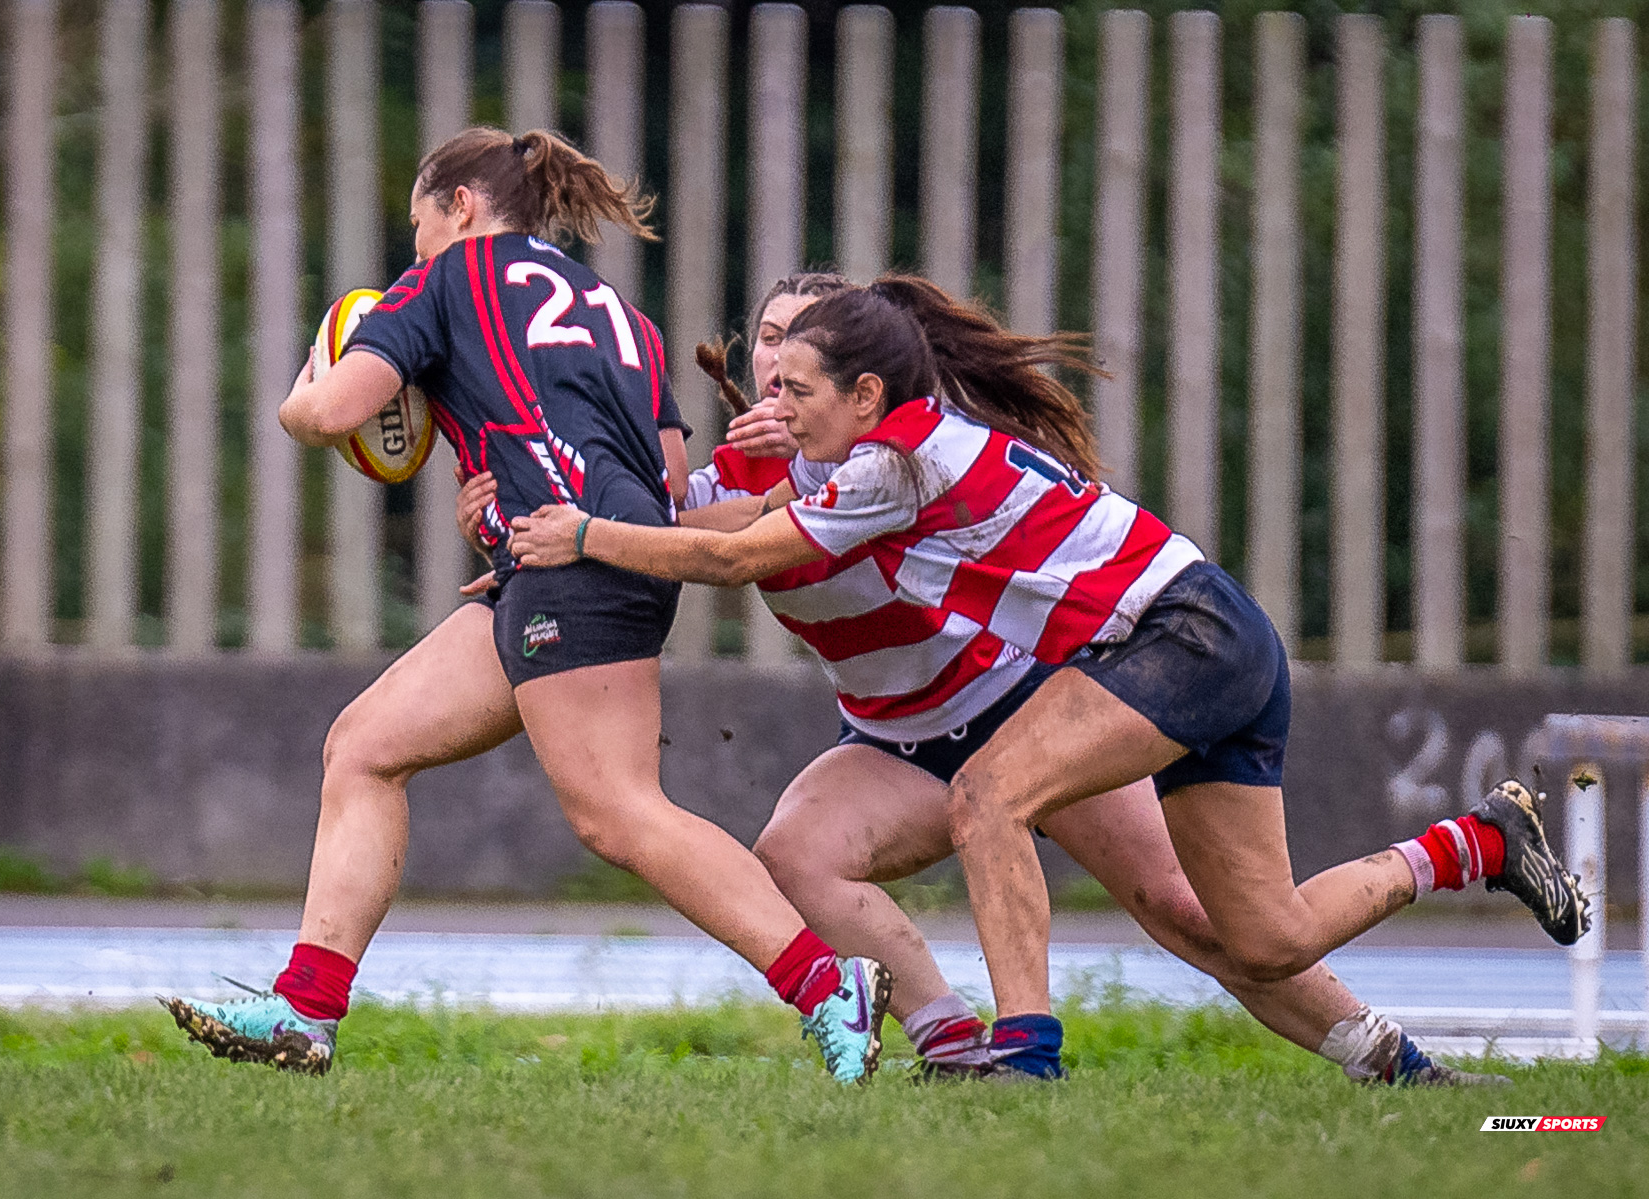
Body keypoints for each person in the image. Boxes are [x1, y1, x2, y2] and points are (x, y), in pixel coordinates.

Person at [508, 276, 1588, 1081]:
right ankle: (1475, 844)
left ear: (865, 385)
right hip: (1170, 644)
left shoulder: (891, 461)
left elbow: (738, 549)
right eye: (768, 357)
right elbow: (698, 516)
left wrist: (587, 533)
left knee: (1001, 802)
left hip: (1168, 640)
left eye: (798, 371)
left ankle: (1025, 1057)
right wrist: (538, 528)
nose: (775, 388)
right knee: (1265, 934)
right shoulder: (839, 450)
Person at [163, 129, 892, 1084]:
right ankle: (304, 1010)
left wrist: (301, 393)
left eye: (419, 226)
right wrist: (500, 496)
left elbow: (337, 412)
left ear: (460, 207)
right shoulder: (621, 314)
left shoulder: (441, 285)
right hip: (584, 558)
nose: (412, 251)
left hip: (574, 567)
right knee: (365, 745)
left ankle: (827, 986)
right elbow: (666, 475)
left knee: (620, 814)